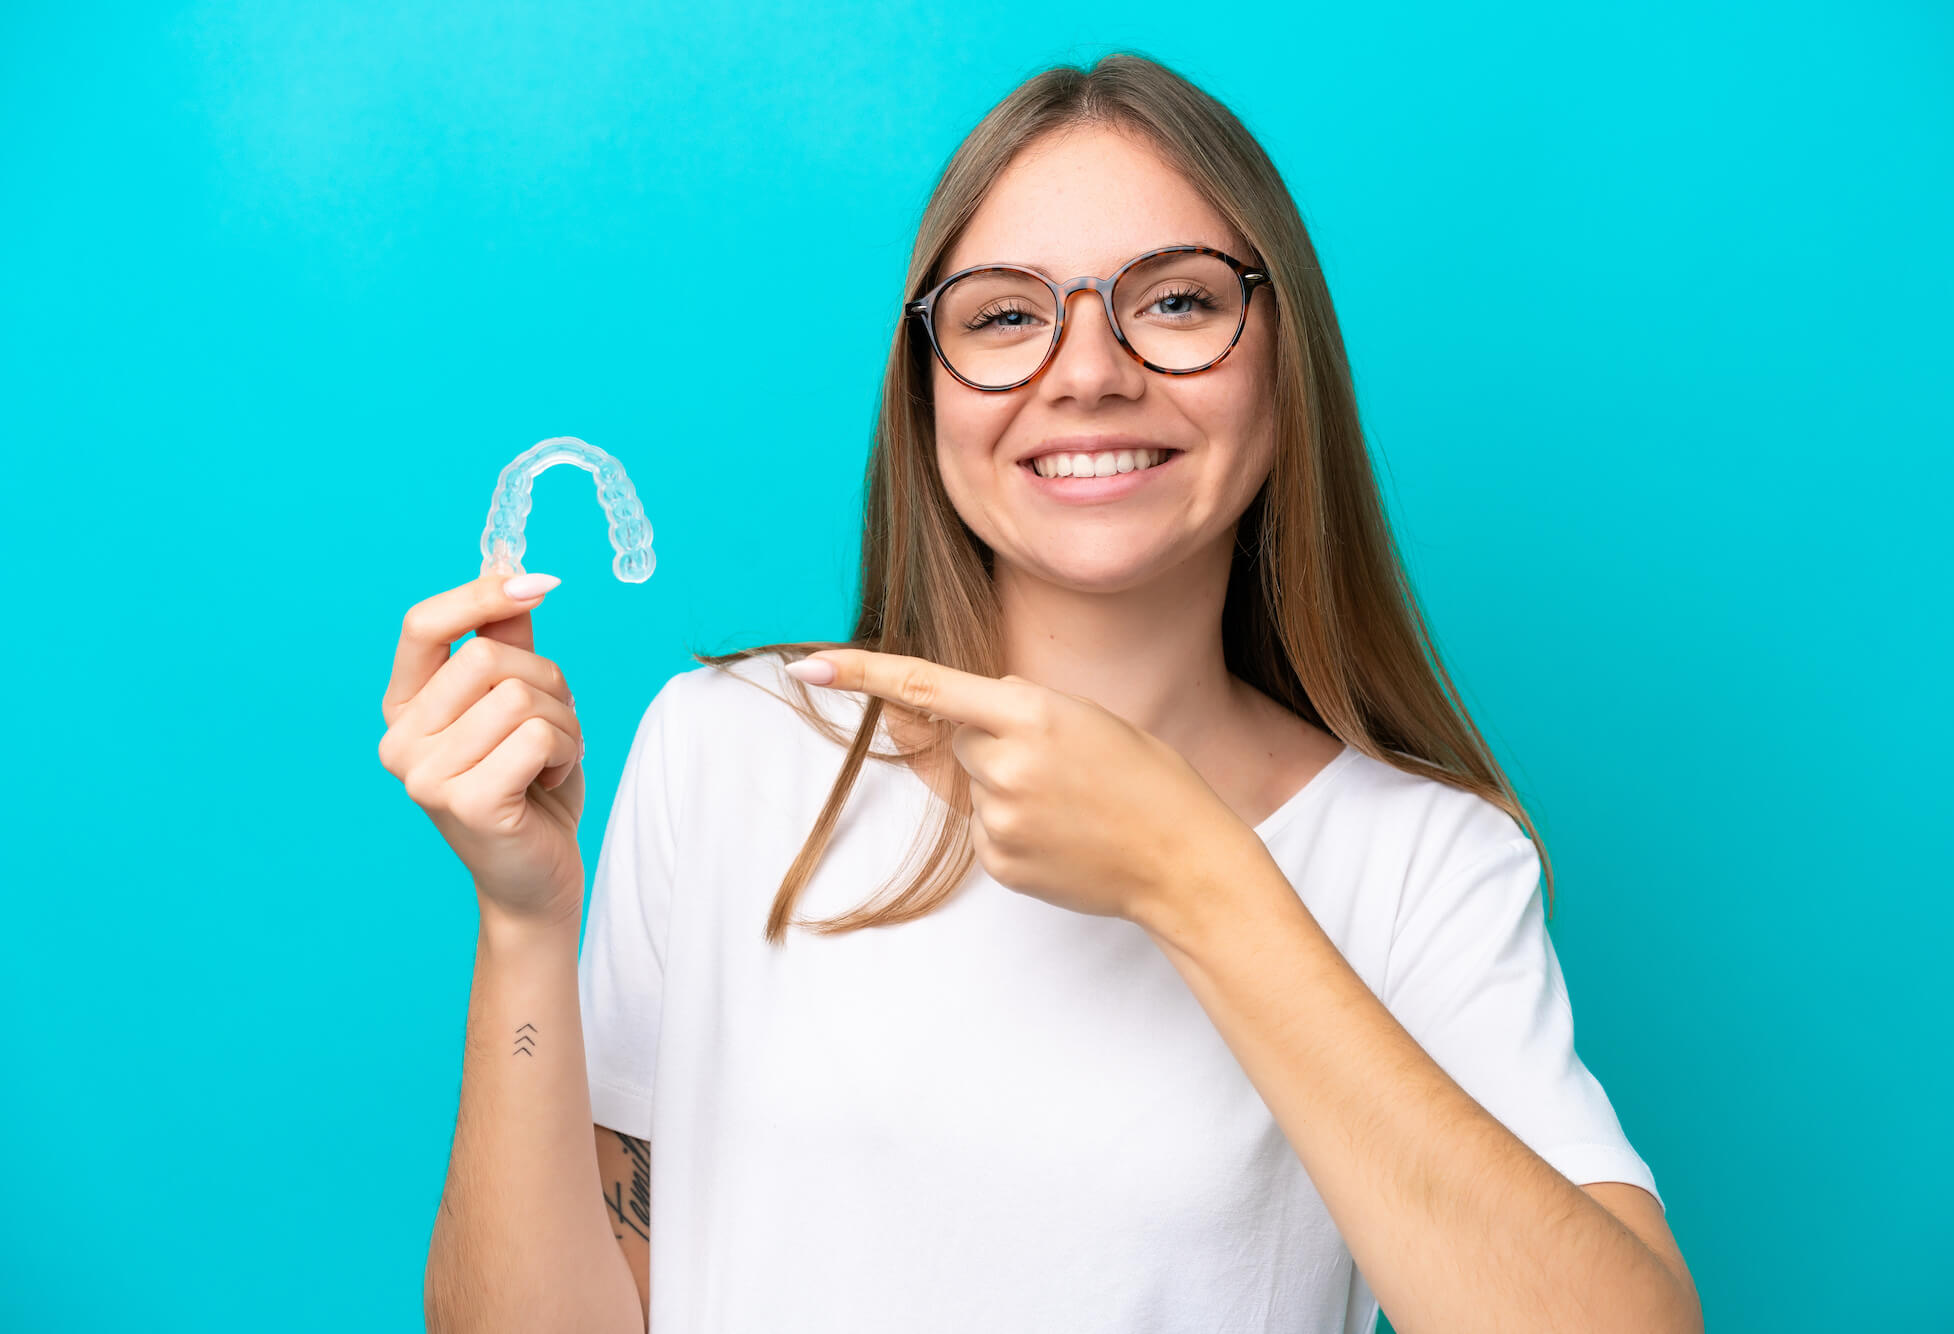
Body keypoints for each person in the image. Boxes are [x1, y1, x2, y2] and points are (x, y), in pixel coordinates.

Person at [389, 52, 1702, 1334]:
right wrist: (521, 920)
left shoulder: (1424, 860)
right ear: (927, 390)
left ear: (1282, 362)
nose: (1087, 372)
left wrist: (1192, 875)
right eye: (1006, 315)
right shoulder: (728, 751)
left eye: (1178, 302)